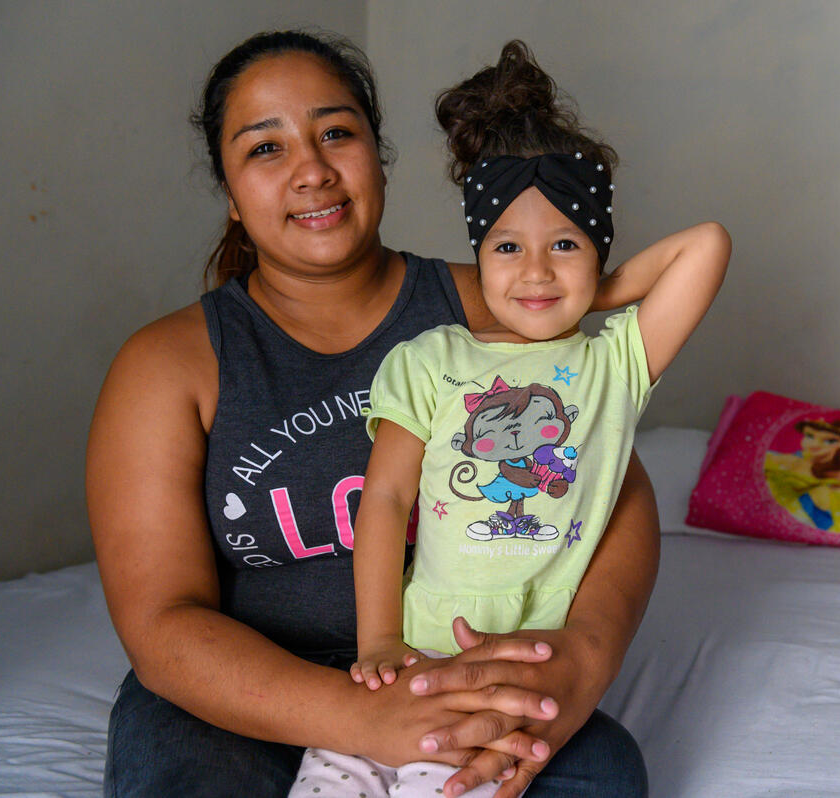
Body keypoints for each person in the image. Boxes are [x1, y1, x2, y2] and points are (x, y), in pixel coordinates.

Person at [86, 30, 667, 798]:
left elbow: (614, 489)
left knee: (602, 776)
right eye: (266, 149)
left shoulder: (502, 301)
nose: (313, 170)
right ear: (229, 194)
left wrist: (586, 656)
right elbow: (163, 625)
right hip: (240, 696)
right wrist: (361, 719)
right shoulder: (169, 363)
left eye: (335, 133)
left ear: (377, 154)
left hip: (457, 666)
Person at [287, 40, 730, 798]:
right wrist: (379, 641)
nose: (534, 271)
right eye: (508, 248)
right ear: (479, 254)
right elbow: (386, 499)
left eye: (564, 245)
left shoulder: (613, 364)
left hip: (506, 683)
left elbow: (707, 245)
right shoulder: (428, 359)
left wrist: (587, 293)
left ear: (597, 255)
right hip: (399, 667)